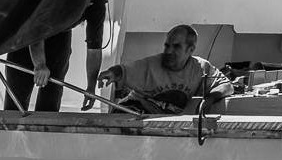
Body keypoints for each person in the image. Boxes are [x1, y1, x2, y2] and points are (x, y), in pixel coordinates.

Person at [3, 0, 109, 113]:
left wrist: (91, 87)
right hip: (28, 29)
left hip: (60, 33)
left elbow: (94, 49)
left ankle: (45, 126)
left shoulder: (97, 1)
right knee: (17, 92)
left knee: (52, 92)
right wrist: (40, 64)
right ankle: (10, 124)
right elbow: (35, 29)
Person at [99, 24, 233, 113]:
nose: (168, 51)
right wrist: (112, 73)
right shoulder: (151, 64)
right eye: (167, 45)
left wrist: (210, 99)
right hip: (136, 111)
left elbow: (226, 86)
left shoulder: (201, 68)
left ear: (190, 49)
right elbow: (123, 71)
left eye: (176, 47)